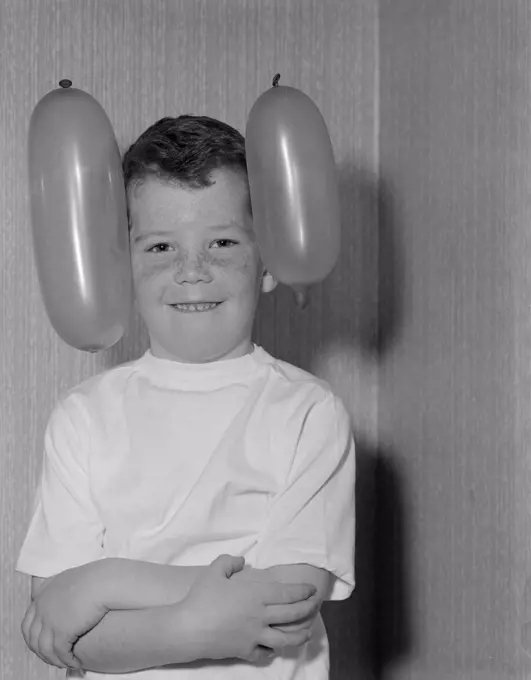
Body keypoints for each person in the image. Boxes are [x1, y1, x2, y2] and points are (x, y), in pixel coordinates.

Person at [16, 115, 356, 679]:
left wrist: (102, 584)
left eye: (221, 242)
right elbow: (63, 630)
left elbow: (288, 601)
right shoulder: (83, 418)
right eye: (159, 246)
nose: (191, 271)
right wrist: (212, 612)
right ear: (120, 263)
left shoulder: (308, 414)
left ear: (267, 258)